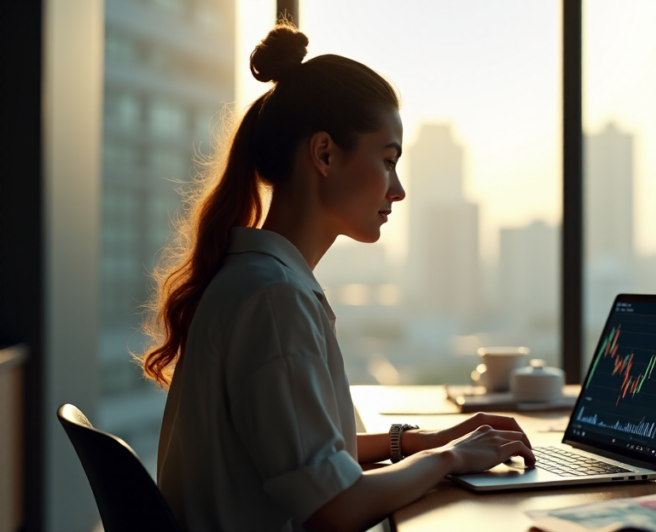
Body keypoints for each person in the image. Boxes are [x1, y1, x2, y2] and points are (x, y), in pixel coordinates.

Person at [140, 24, 535, 532]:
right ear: (325, 154)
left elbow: (316, 455)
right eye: (388, 161)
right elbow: (335, 506)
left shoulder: (260, 279)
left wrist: (421, 442)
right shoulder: (274, 299)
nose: (398, 190)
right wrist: (453, 459)